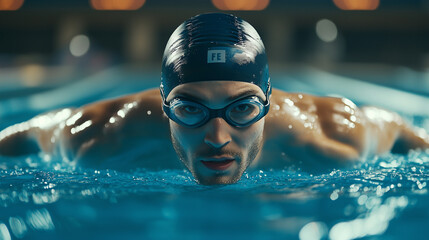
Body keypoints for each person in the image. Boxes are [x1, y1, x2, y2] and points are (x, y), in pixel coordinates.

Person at [0, 13, 428, 185]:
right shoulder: (102, 136)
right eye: (190, 108)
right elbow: (28, 133)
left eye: (242, 107)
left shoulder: (332, 135)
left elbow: (399, 130)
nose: (217, 136)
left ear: (268, 101)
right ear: (164, 104)